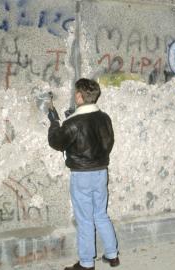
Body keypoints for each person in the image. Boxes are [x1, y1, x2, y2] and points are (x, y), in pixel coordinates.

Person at [47, 78, 120, 270]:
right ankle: (112, 255)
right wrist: (72, 119)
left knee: (85, 219)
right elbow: (107, 143)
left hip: (82, 175)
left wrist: (54, 121)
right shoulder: (104, 118)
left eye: (75, 93)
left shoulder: (74, 122)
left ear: (79, 96)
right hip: (101, 172)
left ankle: (87, 264)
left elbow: (56, 142)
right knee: (101, 214)